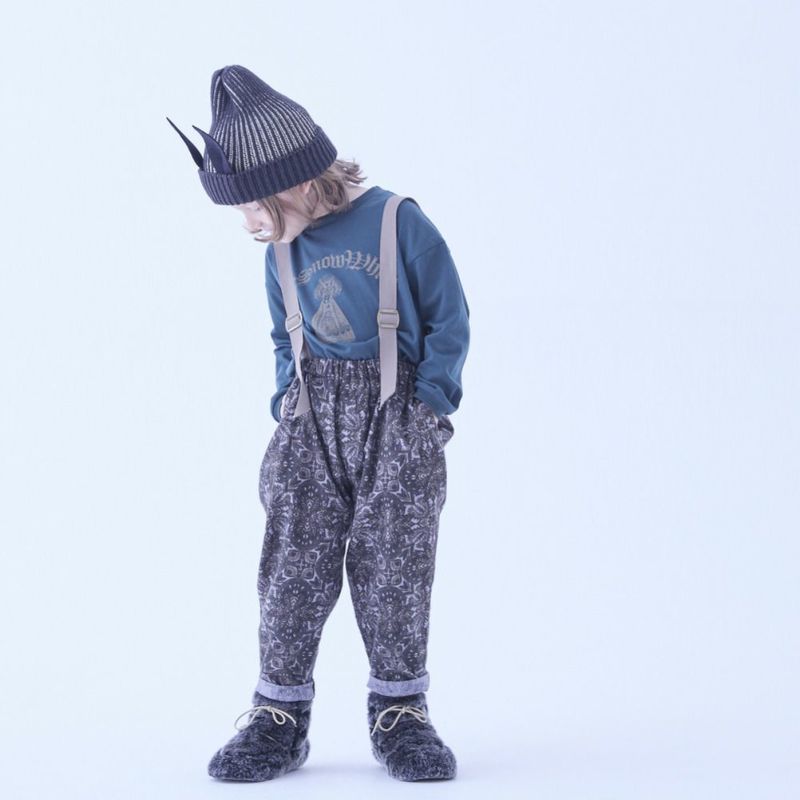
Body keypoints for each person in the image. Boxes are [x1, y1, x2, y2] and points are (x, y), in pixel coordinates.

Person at [166, 64, 470, 783]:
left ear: (300, 182)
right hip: (312, 414)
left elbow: (450, 320)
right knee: (292, 561)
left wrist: (428, 410)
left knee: (394, 561)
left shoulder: (398, 222)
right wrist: (287, 401)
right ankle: (279, 715)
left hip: (396, 411)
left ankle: (400, 711)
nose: (248, 222)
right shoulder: (281, 248)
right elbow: (285, 335)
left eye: (253, 205)